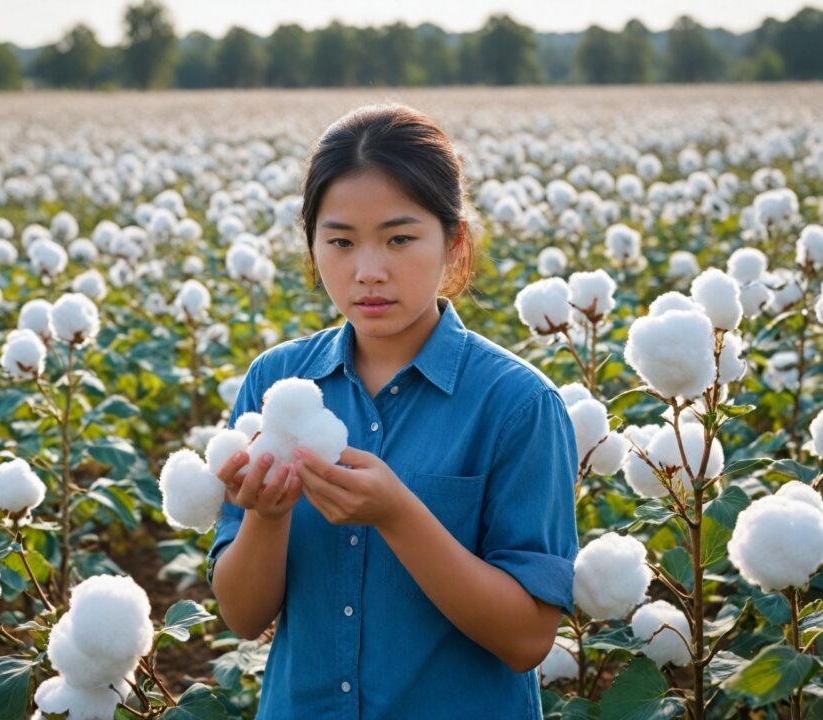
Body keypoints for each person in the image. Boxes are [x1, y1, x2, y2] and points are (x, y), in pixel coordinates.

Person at [206, 103, 579, 719]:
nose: (368, 271)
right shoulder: (276, 381)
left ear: (453, 242)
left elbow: (526, 640)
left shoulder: (517, 405)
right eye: (341, 242)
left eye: (400, 238)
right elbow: (243, 617)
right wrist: (267, 518)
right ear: (312, 244)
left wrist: (399, 514)